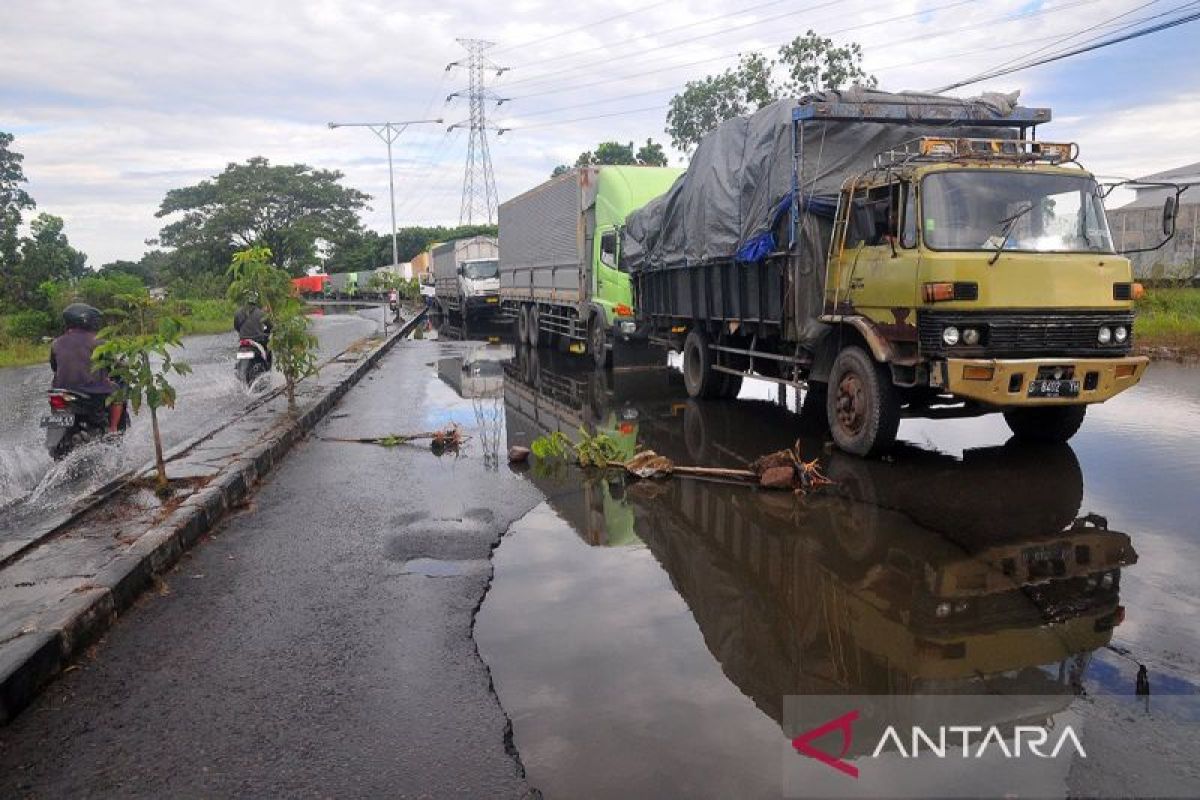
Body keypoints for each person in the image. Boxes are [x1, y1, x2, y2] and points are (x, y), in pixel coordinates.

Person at [50, 303, 123, 434]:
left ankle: (57, 434)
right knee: (118, 390)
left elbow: (54, 367)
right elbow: (114, 365)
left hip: (61, 393)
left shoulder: (56, 343)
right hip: (93, 393)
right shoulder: (99, 342)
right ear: (86, 320)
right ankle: (113, 428)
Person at [234, 296, 272, 367]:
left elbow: (236, 326)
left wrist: (242, 333)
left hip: (243, 340)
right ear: (256, 302)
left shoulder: (238, 312)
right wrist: (267, 331)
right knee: (268, 348)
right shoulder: (261, 313)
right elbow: (270, 325)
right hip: (257, 339)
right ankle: (267, 367)